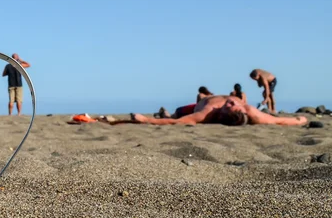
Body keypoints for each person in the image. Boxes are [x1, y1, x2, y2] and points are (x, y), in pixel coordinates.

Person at [110, 95, 307, 126]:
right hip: (199, 104)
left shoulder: (210, 111)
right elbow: (279, 121)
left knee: (178, 113)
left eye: (230, 106)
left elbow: (178, 124)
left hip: (190, 110)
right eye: (233, 104)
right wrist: (299, 121)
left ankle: (166, 112)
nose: (229, 103)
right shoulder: (247, 110)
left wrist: (145, 120)